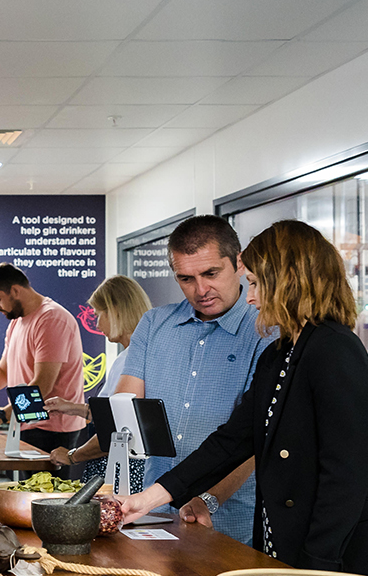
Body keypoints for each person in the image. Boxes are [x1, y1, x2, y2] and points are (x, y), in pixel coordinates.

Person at [119, 220, 368, 575]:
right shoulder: (280, 354)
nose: (250, 296)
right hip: (282, 545)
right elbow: (232, 441)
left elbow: (344, 478)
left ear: (289, 282)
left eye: (254, 283)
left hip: (331, 557)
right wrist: (147, 500)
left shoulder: (336, 350)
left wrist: (316, 570)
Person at [112, 215, 274, 543]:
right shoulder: (154, 324)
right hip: (149, 513)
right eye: (185, 278)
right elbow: (125, 411)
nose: (200, 290)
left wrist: (209, 499)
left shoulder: (266, 331)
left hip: (227, 520)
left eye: (211, 273)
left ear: (238, 263)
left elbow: (253, 439)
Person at [46, 275, 152, 487]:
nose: (96, 323)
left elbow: (115, 430)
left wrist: (72, 456)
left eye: (98, 315)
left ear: (115, 311)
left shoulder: (131, 361)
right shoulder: (135, 356)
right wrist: (71, 408)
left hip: (119, 471)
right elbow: (114, 414)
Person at [0, 262, 86, 453]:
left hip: (53, 430)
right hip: (26, 423)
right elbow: (3, 372)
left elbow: (41, 386)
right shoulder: (17, 322)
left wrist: (0, 416)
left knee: (46, 484)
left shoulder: (51, 319)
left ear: (15, 291)